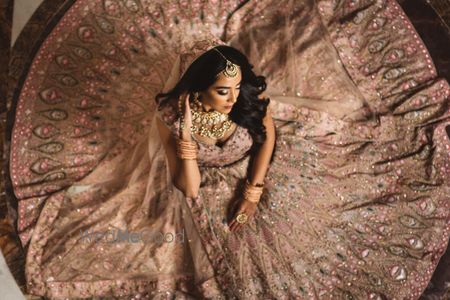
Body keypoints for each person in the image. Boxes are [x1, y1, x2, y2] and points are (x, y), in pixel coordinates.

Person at [14, 1, 450, 299]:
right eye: (223, 91)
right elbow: (186, 190)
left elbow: (268, 135)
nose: (233, 98)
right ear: (199, 89)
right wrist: (186, 145)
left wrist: (254, 191)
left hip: (252, 169)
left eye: (236, 89)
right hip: (203, 183)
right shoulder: (172, 118)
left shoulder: (243, 100)